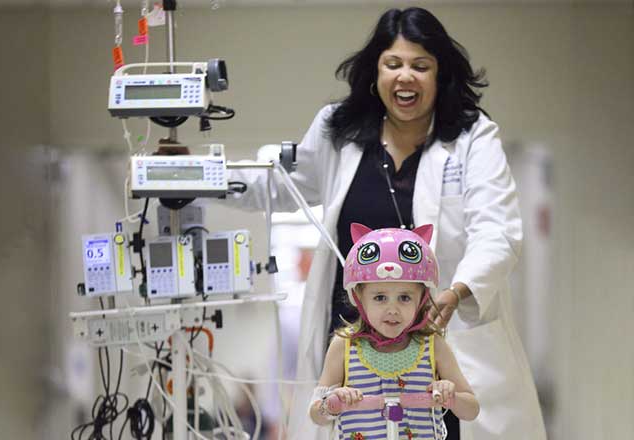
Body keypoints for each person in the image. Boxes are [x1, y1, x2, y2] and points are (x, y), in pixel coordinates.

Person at [227, 6, 546, 440]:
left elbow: (498, 230)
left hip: (436, 337)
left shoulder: (472, 137)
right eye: (392, 64)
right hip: (357, 343)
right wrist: (207, 181)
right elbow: (286, 186)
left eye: (421, 65)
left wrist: (455, 293)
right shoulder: (338, 130)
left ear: (440, 75)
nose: (405, 76)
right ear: (374, 73)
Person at [309, 224, 479, 439]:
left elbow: (472, 409)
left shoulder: (432, 345)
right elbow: (316, 414)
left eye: (405, 298)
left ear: (422, 299)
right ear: (358, 297)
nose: (392, 309)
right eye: (380, 297)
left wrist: (451, 396)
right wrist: (332, 402)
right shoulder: (344, 345)